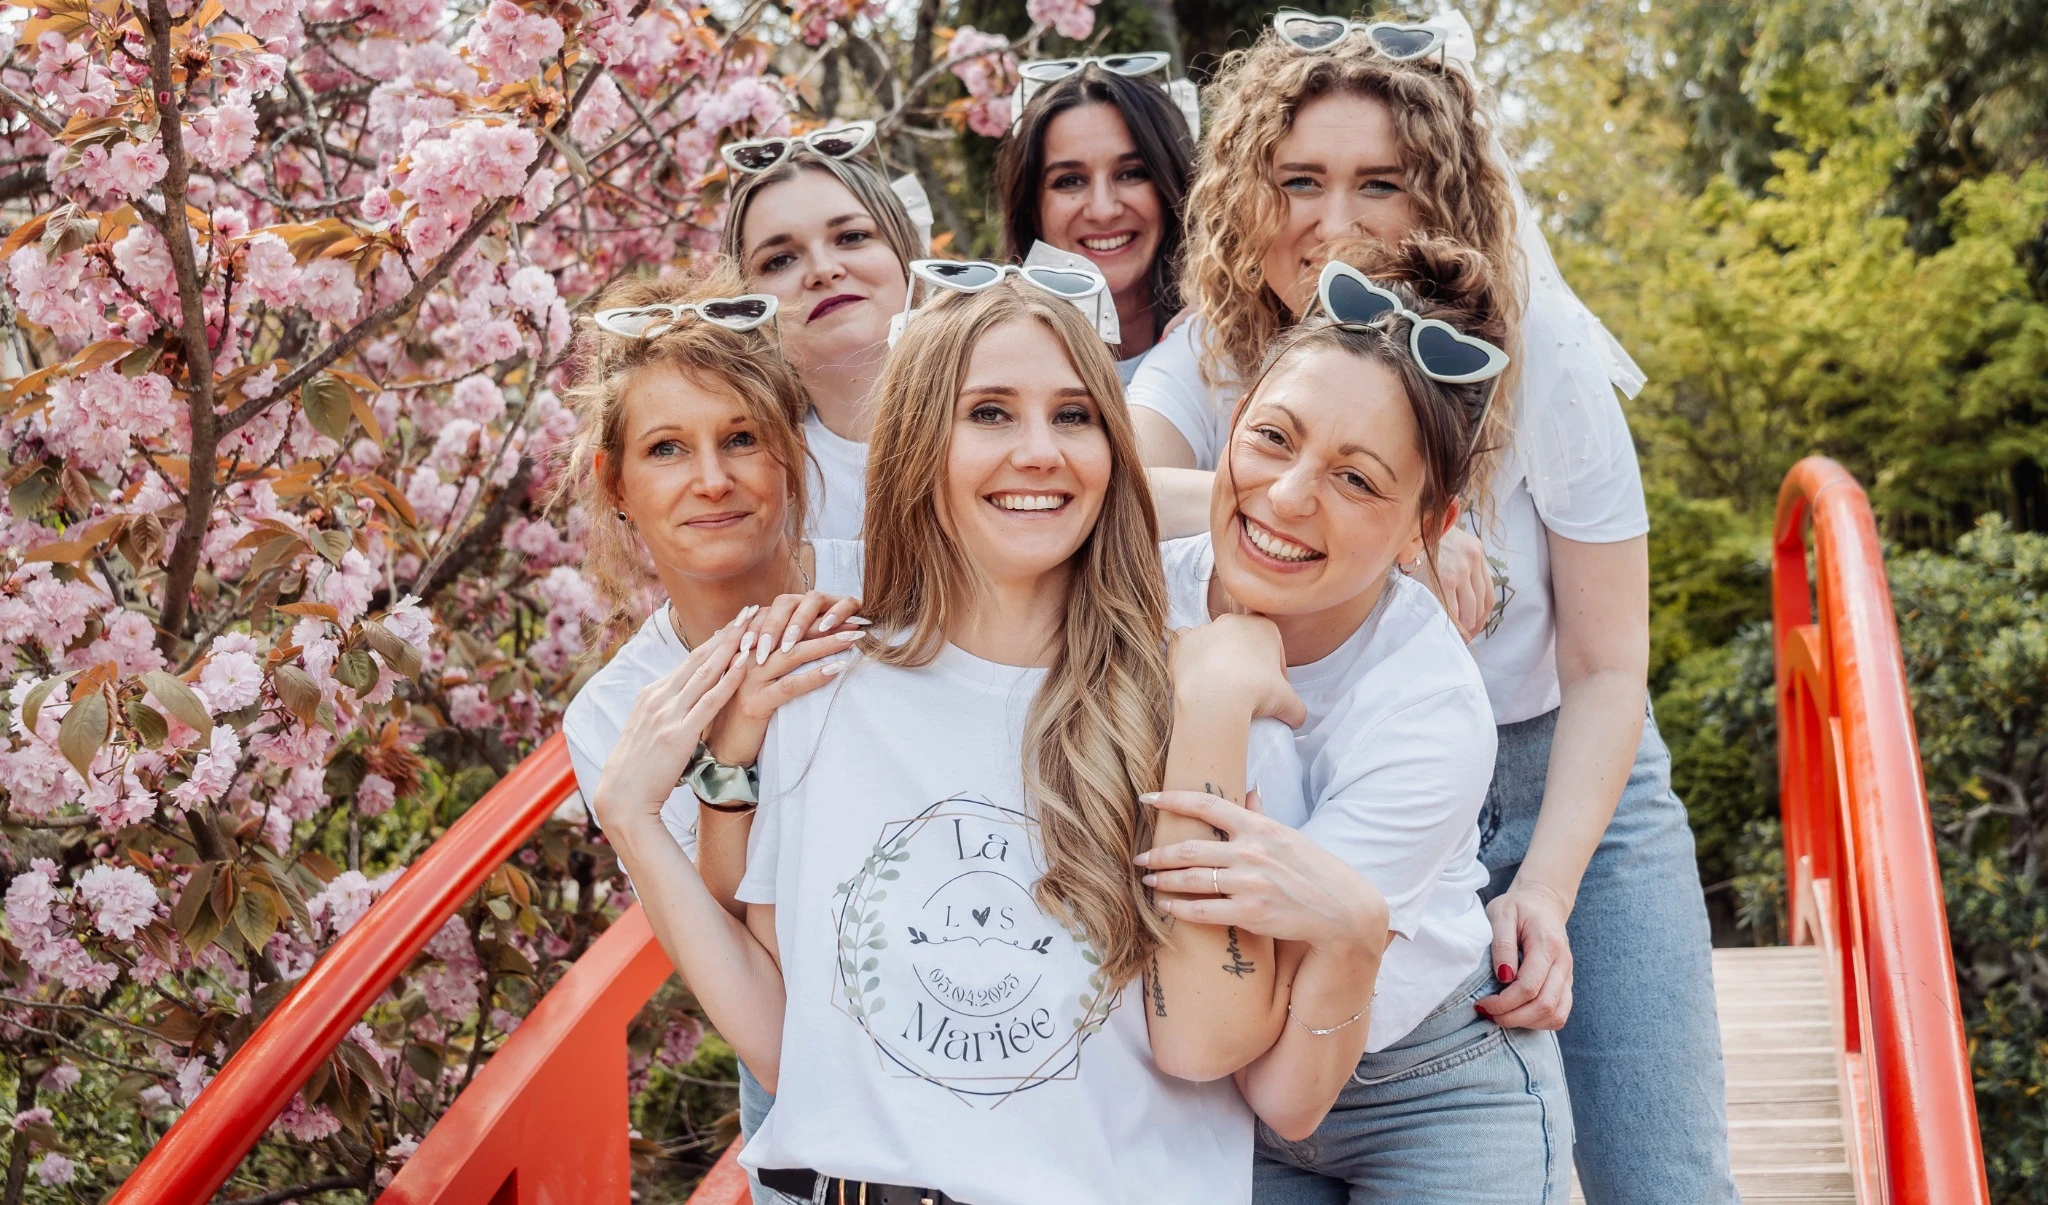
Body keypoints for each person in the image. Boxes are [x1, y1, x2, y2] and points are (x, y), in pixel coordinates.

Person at [1130, 17, 1738, 1203]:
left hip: (1560, 772)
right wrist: (1355, 513)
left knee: (1658, 1169)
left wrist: (1544, 893)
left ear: (1441, 197)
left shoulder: (1537, 354)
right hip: (1336, 784)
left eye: (1379, 183)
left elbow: (1608, 664)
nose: (1333, 219)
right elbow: (1102, 488)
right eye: (1297, 180)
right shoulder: (1214, 352)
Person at [592, 279, 1304, 1205]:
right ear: (921, 444)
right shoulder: (816, 691)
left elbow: (1211, 1038)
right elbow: (785, 1044)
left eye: (1075, 415)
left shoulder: (1207, 703)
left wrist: (1204, 709)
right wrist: (633, 818)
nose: (1039, 450)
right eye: (990, 412)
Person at [1141, 235, 1571, 1201]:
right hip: (1203, 1087)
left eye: (1357, 479)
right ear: (1234, 424)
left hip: (1430, 1086)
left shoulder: (1429, 709)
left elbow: (1286, 1087)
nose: (1289, 497)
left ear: (1429, 528)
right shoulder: (1134, 598)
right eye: (1273, 438)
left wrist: (1209, 695)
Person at [554, 264, 866, 1202]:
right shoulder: (618, 711)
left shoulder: (891, 587)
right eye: (667, 449)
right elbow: (727, 953)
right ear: (615, 482)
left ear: (790, 450)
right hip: (801, 1089)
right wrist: (683, 779)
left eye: (741, 438)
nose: (713, 480)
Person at [720, 144, 927, 540]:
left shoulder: (1013, 419)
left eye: (851, 237)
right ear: (747, 305)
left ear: (906, 255)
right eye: (780, 260)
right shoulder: (744, 488)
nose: (823, 270)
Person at [994, 59, 1196, 380]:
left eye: (1131, 174)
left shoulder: (1239, 345)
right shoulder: (989, 359)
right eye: (1070, 181)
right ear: (1031, 207)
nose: (1103, 210)